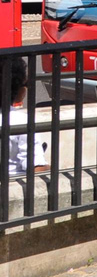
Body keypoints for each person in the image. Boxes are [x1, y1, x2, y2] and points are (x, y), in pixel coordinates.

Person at [5, 56, 48, 187]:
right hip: (13, 186)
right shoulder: (21, 121)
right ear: (19, 90)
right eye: (26, 84)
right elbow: (35, 167)